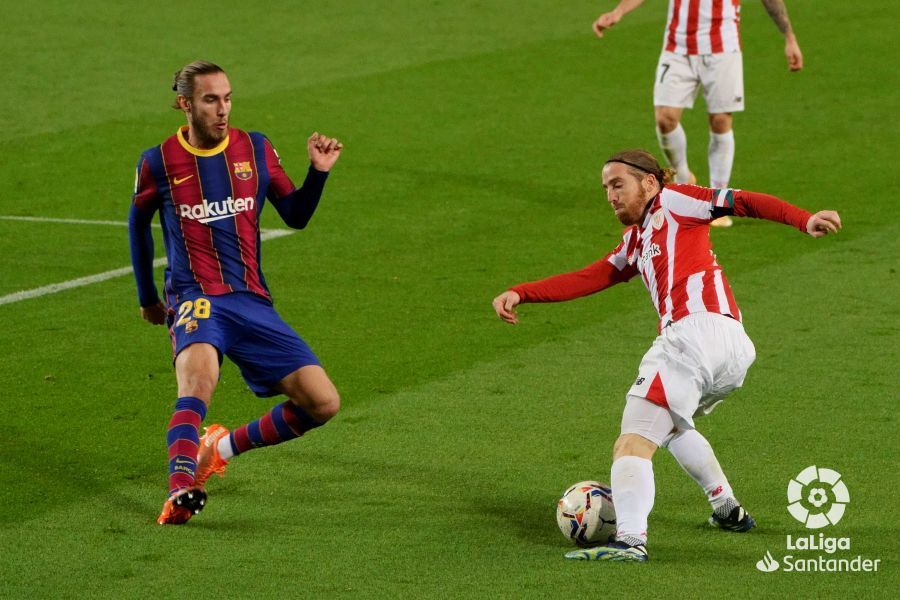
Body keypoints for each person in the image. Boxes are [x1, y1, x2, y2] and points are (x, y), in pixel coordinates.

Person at [492, 149, 840, 561]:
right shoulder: (636, 240)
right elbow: (594, 275)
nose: (610, 195)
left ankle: (630, 541)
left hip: (694, 335)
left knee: (631, 443)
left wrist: (804, 219)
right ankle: (727, 509)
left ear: (650, 182)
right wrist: (524, 292)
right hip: (729, 347)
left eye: (618, 184)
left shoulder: (675, 200)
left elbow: (739, 200)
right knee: (673, 426)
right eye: (605, 188)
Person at [129, 60, 344, 525]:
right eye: (210, 100)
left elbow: (296, 214)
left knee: (323, 403)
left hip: (250, 299)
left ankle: (218, 447)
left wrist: (319, 173)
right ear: (185, 104)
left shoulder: (256, 148)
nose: (222, 109)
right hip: (196, 297)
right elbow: (138, 227)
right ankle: (180, 488)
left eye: (227, 98)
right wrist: (148, 297)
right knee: (197, 385)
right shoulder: (159, 161)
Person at [592, 0, 804, 227]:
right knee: (665, 119)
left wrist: (789, 37)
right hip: (678, 46)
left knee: (721, 120)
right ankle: (684, 178)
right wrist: (619, 11)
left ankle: (719, 201)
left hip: (723, 47)